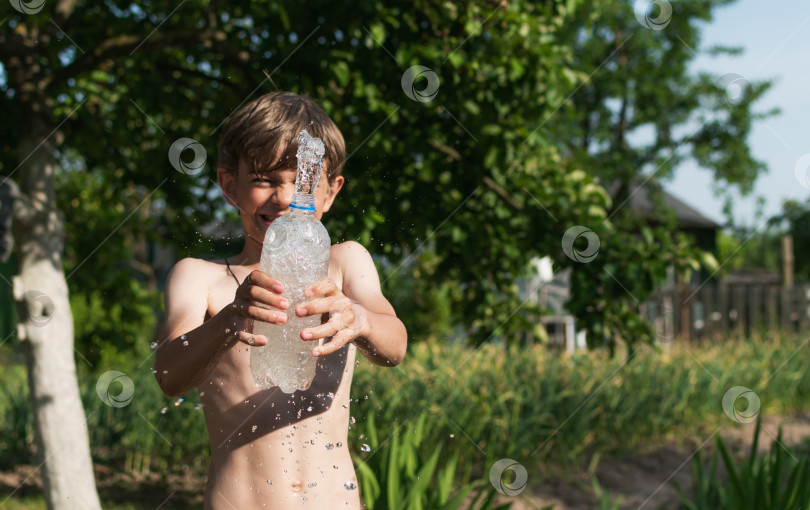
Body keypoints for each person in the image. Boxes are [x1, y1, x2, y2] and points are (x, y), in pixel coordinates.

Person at [153, 91, 407, 509]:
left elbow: (395, 346)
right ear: (229, 185)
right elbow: (168, 373)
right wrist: (228, 322)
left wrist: (358, 318)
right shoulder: (201, 277)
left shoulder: (344, 263)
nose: (285, 198)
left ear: (330, 192)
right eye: (265, 180)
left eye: (303, 183)